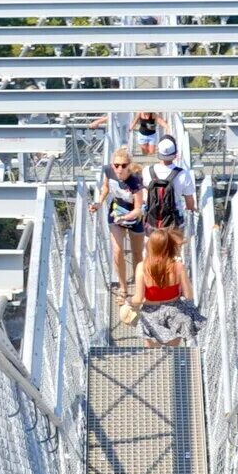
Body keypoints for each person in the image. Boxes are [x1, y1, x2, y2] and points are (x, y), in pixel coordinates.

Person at [126, 227, 196, 346]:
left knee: (152, 353)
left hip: (151, 314)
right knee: (173, 352)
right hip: (174, 312)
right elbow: (189, 296)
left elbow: (138, 299)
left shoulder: (142, 267)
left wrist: (128, 301)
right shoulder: (178, 267)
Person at [88, 145, 143, 296]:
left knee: (137, 254)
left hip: (134, 217)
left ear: (129, 166)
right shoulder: (108, 171)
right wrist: (99, 202)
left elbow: (138, 208)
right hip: (116, 212)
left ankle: (139, 288)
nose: (119, 169)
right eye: (116, 165)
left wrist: (127, 217)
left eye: (123, 166)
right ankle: (123, 287)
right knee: (117, 252)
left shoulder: (136, 181)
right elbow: (106, 187)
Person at [147, 135, 198, 232]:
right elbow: (189, 203)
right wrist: (192, 209)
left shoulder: (147, 171)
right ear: (175, 155)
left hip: (152, 222)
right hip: (174, 222)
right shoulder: (183, 174)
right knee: (175, 247)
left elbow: (145, 197)